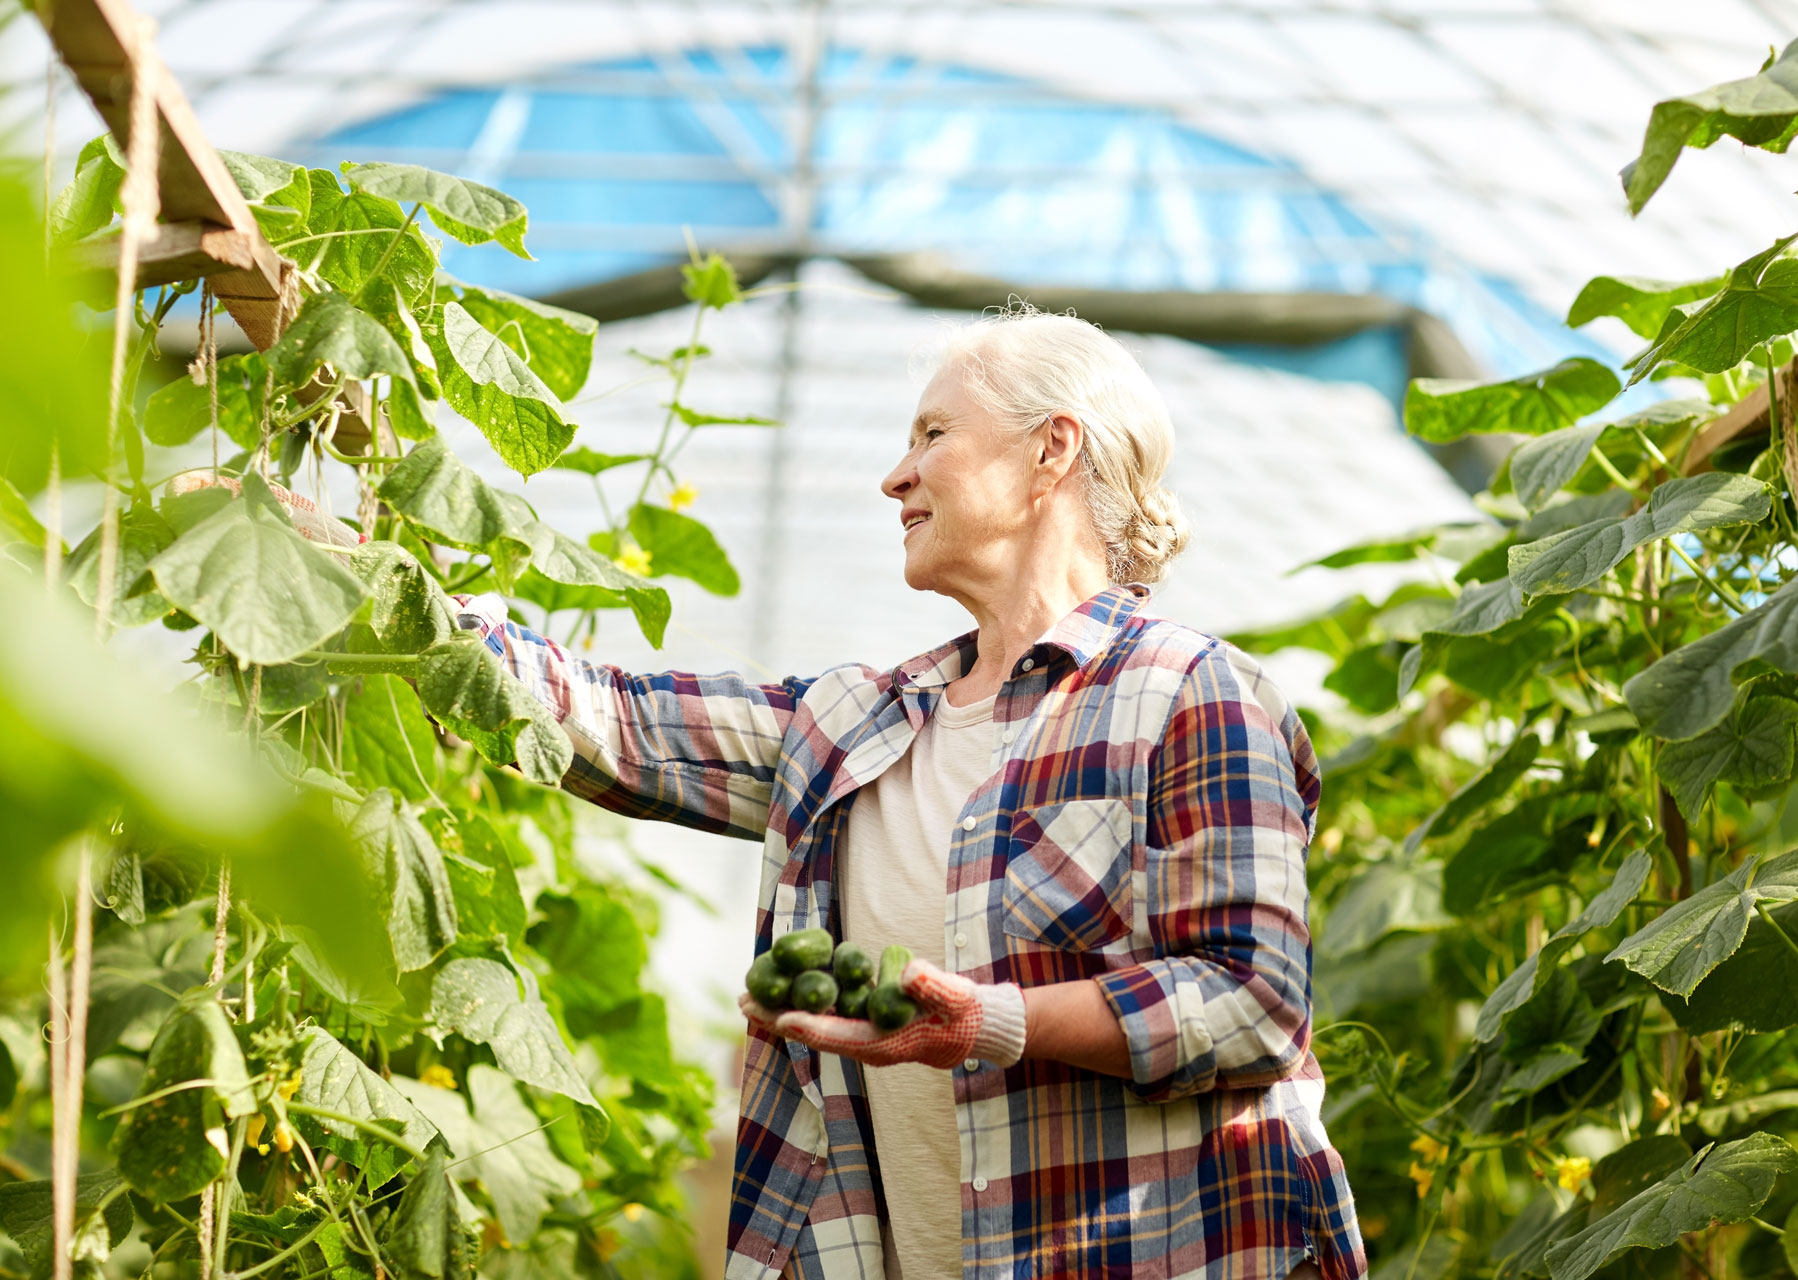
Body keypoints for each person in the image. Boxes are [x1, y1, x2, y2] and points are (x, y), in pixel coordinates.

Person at [452, 309, 1366, 1279]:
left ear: (1051, 450)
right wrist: (403, 603)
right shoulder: (862, 723)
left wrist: (992, 1021)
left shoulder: (1193, 693)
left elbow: (1253, 1000)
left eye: (933, 434)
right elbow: (615, 724)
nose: (896, 473)